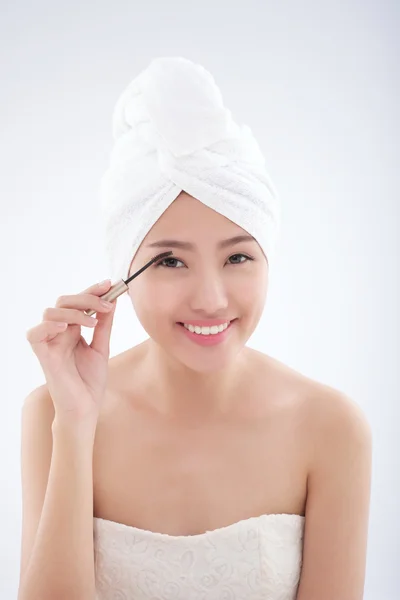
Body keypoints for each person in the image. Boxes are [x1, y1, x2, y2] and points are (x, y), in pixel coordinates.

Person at [19, 58, 372, 600]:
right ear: (120, 280)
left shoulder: (330, 427)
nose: (211, 300)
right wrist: (75, 425)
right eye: (170, 262)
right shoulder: (51, 412)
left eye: (238, 258)